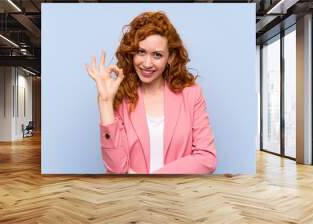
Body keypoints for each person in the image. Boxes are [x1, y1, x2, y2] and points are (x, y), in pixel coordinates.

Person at [85, 11, 216, 174]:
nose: (147, 63)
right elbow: (117, 170)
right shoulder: (121, 97)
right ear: (132, 53)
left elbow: (207, 158)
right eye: (141, 52)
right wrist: (105, 103)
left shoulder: (191, 94)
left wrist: (151, 181)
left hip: (179, 195)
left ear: (170, 57)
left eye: (157, 55)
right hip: (132, 197)